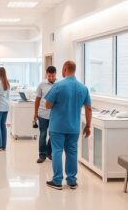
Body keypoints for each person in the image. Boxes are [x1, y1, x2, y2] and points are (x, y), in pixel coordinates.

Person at [44, 61, 92, 190]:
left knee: (57, 152)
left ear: (65, 69)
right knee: (72, 152)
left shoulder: (58, 86)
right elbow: (88, 109)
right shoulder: (83, 88)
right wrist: (88, 126)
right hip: (74, 127)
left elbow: (47, 105)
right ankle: (71, 181)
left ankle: (57, 181)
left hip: (57, 126)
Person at [33, 66, 57, 164]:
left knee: (53, 135)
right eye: (49, 76)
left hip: (55, 115)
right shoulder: (41, 85)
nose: (51, 78)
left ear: (56, 74)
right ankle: (42, 155)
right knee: (43, 134)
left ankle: (49, 152)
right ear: (46, 74)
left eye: (53, 76)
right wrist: (35, 113)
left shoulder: (59, 85)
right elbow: (37, 100)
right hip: (42, 114)